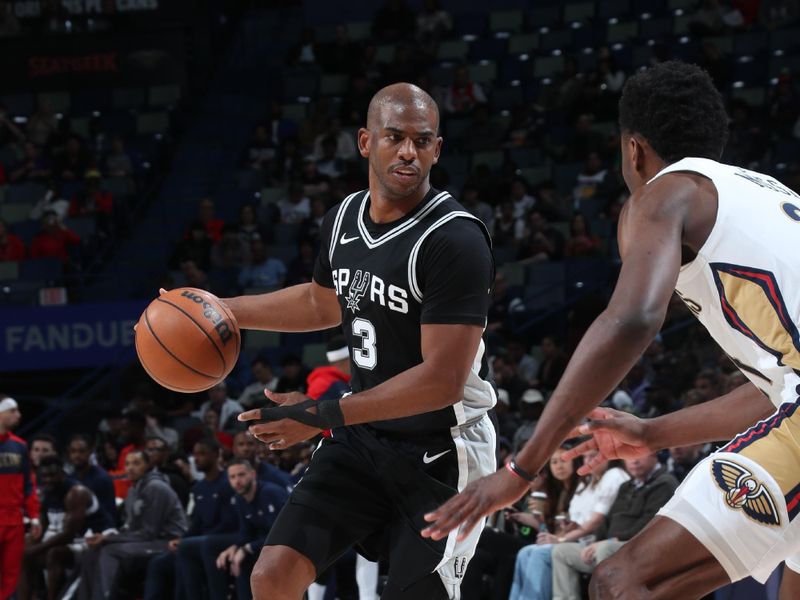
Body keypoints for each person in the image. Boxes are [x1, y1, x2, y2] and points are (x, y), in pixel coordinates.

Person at [421, 60, 800, 599]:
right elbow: (779, 393)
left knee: (622, 580)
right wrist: (652, 432)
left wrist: (522, 467)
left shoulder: (664, 193)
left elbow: (632, 320)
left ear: (634, 151)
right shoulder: (765, 194)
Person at [204, 82, 496, 600]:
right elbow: (322, 303)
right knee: (271, 577)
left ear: (437, 149)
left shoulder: (455, 239)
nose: (409, 151)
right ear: (365, 142)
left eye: (422, 141)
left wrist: (317, 416)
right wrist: (226, 310)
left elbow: (443, 381)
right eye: (394, 137)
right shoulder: (343, 219)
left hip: (443, 452)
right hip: (364, 439)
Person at [77, 449, 188, 600]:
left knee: (110, 551)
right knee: (93, 551)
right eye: (127, 464)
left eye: (136, 463)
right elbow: (129, 528)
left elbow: (149, 532)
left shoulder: (156, 487)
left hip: (168, 541)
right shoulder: (133, 490)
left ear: (148, 465)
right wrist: (105, 536)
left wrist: (109, 539)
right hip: (147, 540)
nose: (130, 468)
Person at [143, 439, 238, 600]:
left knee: (190, 548)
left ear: (215, 455)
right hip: (199, 541)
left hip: (222, 538)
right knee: (159, 562)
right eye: (195, 454)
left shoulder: (228, 482)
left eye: (202, 454)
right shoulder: (199, 487)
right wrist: (182, 539)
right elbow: (198, 522)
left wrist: (190, 541)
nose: (197, 458)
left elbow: (228, 523)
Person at [20, 456, 114, 600]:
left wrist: (35, 549)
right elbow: (42, 527)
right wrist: (30, 545)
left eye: (52, 475)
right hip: (74, 541)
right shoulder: (48, 492)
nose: (48, 479)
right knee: (23, 553)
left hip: (95, 540)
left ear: (62, 473)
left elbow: (68, 535)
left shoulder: (76, 493)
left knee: (54, 553)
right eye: (44, 476)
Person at [214, 459, 289, 600]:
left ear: (253, 474)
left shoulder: (270, 493)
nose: (237, 481)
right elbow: (246, 532)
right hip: (265, 545)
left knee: (245, 558)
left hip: (287, 545)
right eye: (232, 477)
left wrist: (246, 548)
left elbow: (281, 534)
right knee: (232, 560)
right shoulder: (240, 499)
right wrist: (235, 547)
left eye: (241, 475)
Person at [0, 395, 41, 600]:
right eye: (13, 411)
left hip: (14, 521)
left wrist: (34, 516)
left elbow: (28, 485)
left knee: (11, 576)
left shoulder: (20, 446)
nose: (19, 415)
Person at [66, 434, 117, 524]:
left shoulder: (102, 479)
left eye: (81, 451)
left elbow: (109, 514)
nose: (77, 455)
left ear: (90, 452)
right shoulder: (69, 478)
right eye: (73, 451)